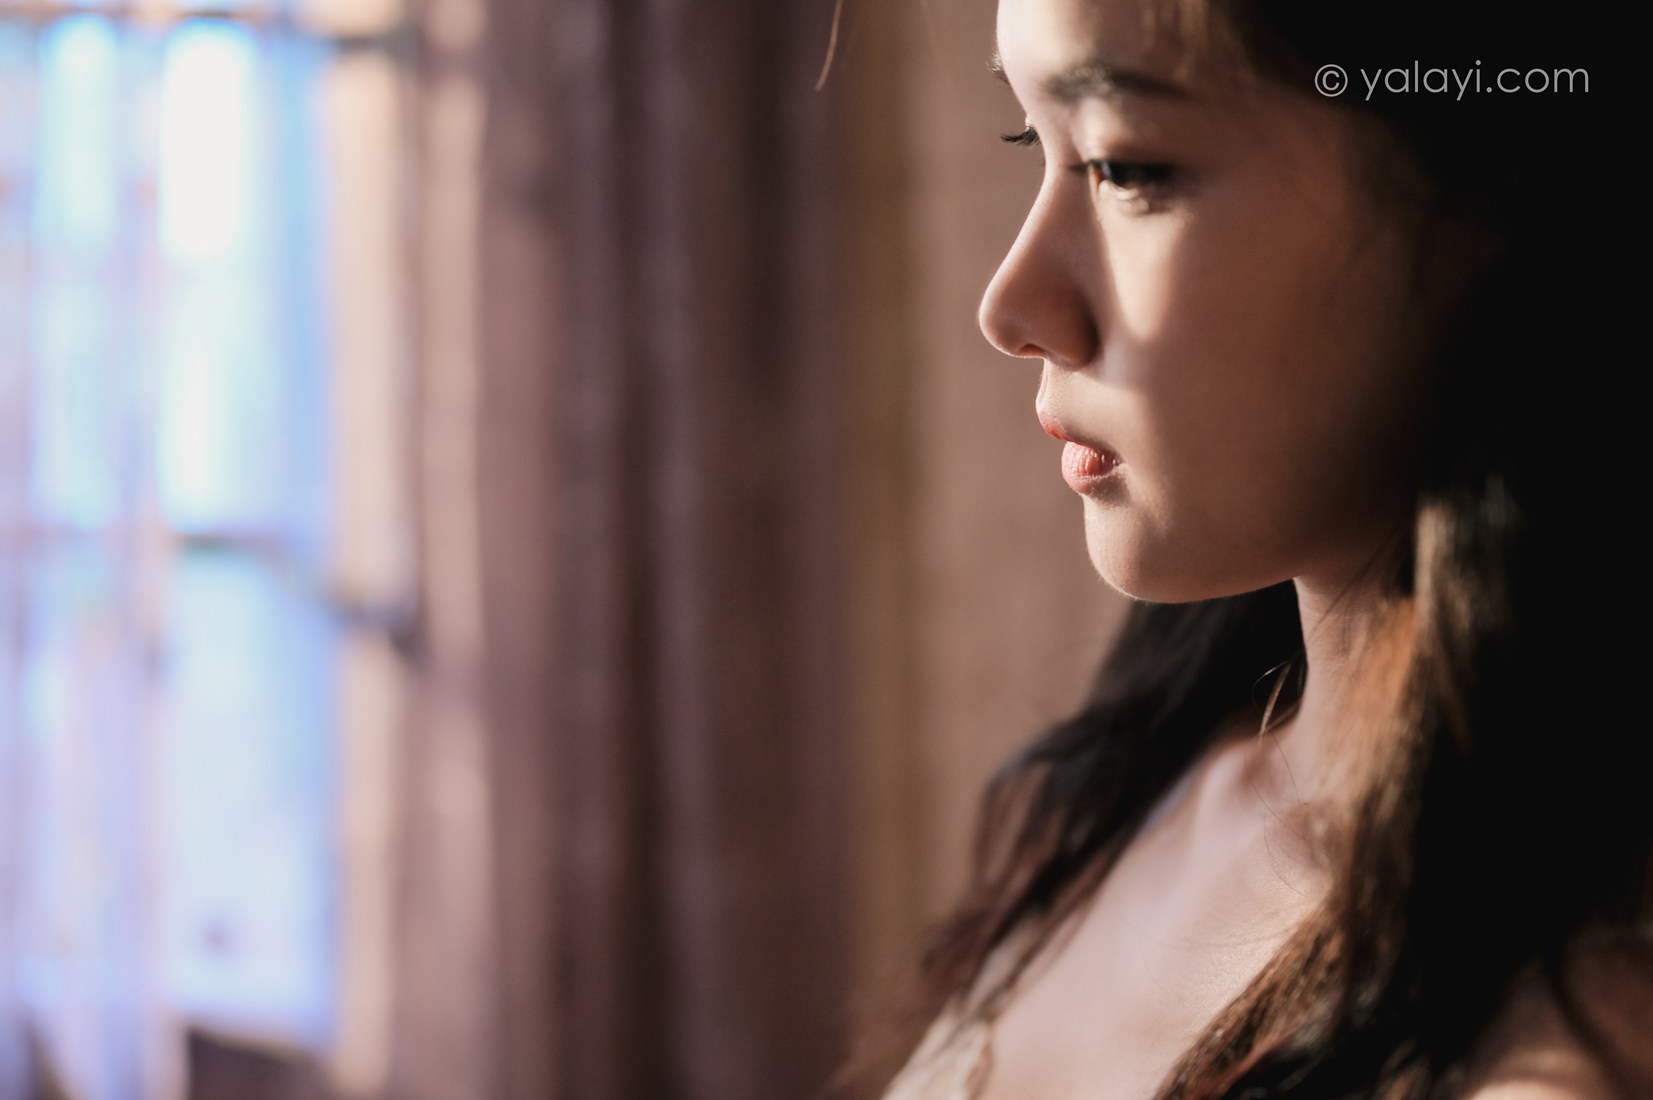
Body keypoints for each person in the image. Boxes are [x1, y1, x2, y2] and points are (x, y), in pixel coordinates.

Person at [870, 1, 1647, 1098]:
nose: (1010, 305)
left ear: (1495, 189)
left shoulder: (1565, 1046)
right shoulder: (1157, 766)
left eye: (1127, 167)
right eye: (1027, 138)